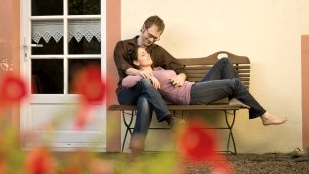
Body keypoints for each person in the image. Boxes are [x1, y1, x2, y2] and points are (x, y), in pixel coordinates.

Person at [122, 46, 288, 127]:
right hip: (192, 96)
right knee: (235, 83)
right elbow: (125, 82)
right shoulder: (144, 76)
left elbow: (177, 74)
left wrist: (180, 75)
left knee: (224, 62)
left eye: (147, 52)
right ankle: (264, 116)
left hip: (194, 87)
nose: (148, 54)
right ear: (137, 62)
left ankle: (233, 99)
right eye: (143, 54)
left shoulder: (157, 69)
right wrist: (139, 74)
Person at [113, 16, 187, 152]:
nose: (151, 40)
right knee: (146, 83)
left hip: (147, 93)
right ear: (143, 28)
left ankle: (136, 150)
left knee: (145, 100)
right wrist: (139, 73)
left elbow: (178, 67)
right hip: (126, 92)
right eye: (150, 35)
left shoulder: (157, 51)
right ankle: (170, 119)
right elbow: (123, 67)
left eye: (155, 38)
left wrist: (182, 76)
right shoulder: (122, 46)